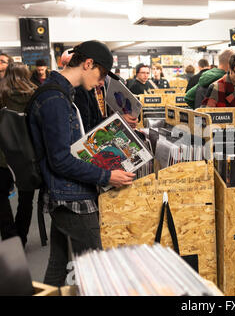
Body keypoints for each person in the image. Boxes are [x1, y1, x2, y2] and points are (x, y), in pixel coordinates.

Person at [28, 40, 135, 286]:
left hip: (66, 193)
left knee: (59, 265)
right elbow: (61, 160)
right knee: (97, 270)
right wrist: (107, 177)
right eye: (102, 76)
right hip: (71, 196)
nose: (100, 83)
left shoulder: (62, 93)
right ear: (88, 64)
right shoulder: (55, 98)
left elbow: (76, 144)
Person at [0, 62, 37, 247]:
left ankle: (10, 236)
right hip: (27, 156)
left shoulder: (1, 94)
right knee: (26, 198)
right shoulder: (34, 95)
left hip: (3, 156)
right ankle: (21, 237)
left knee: (1, 198)